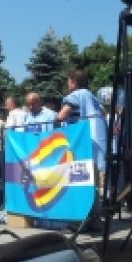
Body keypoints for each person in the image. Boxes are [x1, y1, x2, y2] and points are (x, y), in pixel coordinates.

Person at [57, 69, 107, 228]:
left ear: (73, 82)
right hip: (96, 145)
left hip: (80, 145)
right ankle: (95, 220)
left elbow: (63, 115)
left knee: (78, 182)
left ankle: (78, 222)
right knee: (93, 185)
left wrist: (55, 120)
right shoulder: (93, 98)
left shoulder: (76, 96)